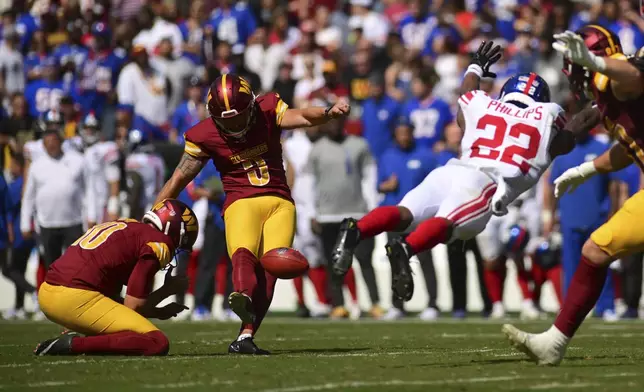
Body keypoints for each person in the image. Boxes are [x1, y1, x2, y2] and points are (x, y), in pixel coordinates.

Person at [332, 41, 595, 303]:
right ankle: (407, 248)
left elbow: (465, 98)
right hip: (486, 182)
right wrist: (603, 103)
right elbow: (573, 131)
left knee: (405, 213)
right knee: (450, 226)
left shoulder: (483, 104)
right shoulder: (547, 116)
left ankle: (357, 228)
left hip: (451, 171)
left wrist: (476, 67)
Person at [152, 74, 350, 354]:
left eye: (237, 117)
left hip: (279, 201)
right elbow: (179, 178)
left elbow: (303, 117)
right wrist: (153, 213)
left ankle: (245, 335)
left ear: (251, 105)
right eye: (227, 120)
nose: (233, 125)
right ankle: (242, 295)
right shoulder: (204, 134)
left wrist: (327, 113)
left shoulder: (267, 110)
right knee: (243, 255)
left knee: (272, 267)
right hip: (241, 200)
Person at [503, 26, 644, 365]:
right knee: (595, 250)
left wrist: (596, 62)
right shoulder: (608, 92)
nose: (570, 70)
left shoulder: (617, 77)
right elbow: (630, 145)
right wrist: (587, 169)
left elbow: (633, 76)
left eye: (575, 61)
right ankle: (554, 342)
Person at [33, 199, 197, 356]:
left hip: (48, 292)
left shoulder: (126, 223)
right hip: (74, 296)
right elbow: (132, 307)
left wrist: (158, 312)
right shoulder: (158, 242)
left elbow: (118, 306)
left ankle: (78, 333)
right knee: (156, 342)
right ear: (174, 232)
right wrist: (167, 290)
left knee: (118, 309)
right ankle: (72, 345)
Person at [307, 117, 383, 320]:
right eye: (330, 123)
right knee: (334, 262)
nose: (334, 126)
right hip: (328, 215)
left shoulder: (359, 145)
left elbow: (369, 176)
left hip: (358, 213)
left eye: (338, 123)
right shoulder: (317, 149)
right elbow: (308, 182)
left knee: (365, 259)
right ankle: (338, 305)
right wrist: (311, 213)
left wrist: (372, 207)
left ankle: (375, 303)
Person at [378, 120, 439, 321]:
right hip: (395, 217)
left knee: (425, 261)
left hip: (419, 218)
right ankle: (397, 305)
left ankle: (432, 305)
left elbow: (435, 185)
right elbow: (379, 185)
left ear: (412, 133)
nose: (403, 137)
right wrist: (387, 186)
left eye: (406, 133)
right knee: (397, 262)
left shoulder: (426, 155)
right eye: (400, 133)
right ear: (395, 135)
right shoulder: (387, 156)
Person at [20, 110, 88, 270]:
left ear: (61, 142)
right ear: (43, 144)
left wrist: (90, 216)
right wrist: (25, 223)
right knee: (52, 266)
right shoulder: (36, 165)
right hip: (47, 224)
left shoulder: (76, 160)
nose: (51, 144)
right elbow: (29, 196)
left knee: (76, 265)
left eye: (54, 141)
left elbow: (87, 192)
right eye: (48, 141)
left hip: (74, 222)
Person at [2, 152, 36, 320]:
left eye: (13, 165)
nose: (10, 167)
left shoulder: (18, 184)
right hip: (27, 233)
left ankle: (32, 292)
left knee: (10, 269)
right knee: (19, 270)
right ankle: (19, 306)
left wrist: (9, 231)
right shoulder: (26, 183)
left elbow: (9, 208)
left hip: (17, 232)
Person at [80, 112, 121, 225]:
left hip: (100, 203)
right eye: (87, 128)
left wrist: (113, 207)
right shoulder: (73, 147)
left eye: (93, 129)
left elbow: (114, 179)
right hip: (79, 205)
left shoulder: (106, 148)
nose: (89, 132)